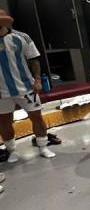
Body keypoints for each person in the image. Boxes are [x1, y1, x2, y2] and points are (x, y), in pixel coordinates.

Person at [0, 8, 56, 161]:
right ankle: (12, 151)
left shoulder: (21, 37)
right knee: (4, 122)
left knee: (36, 117)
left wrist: (37, 80)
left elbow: (34, 59)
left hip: (26, 87)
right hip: (1, 91)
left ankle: (43, 146)